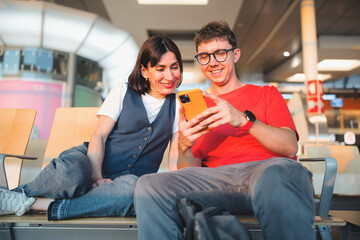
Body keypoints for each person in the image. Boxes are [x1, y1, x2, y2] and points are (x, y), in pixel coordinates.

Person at [134, 21, 315, 240]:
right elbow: (189, 171)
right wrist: (184, 145)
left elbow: (289, 146)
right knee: (148, 185)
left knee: (276, 173)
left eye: (220, 53)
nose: (212, 62)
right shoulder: (196, 106)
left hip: (268, 172)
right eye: (204, 56)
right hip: (218, 182)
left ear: (235, 54)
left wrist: (243, 120)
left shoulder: (267, 94)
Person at [0, 35, 183, 220]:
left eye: (174, 67)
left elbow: (175, 154)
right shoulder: (123, 90)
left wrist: (174, 191)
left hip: (127, 183)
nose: (170, 76)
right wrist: (96, 177)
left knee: (131, 193)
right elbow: (100, 136)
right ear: (144, 71)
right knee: (70, 173)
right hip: (89, 161)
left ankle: (33, 204)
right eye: (161, 69)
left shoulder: (178, 107)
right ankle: (15, 196)